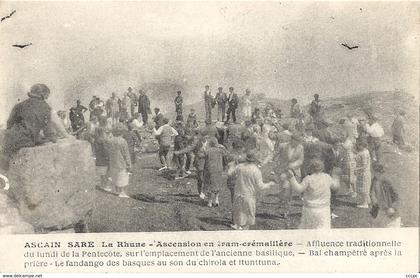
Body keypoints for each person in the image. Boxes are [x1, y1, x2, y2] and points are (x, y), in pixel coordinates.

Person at [3, 84, 57, 163]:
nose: (47, 98)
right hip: (25, 140)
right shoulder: (45, 107)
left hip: (10, 139)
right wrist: (53, 138)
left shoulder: (19, 105)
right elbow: (48, 128)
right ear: (42, 95)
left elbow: (9, 124)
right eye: (46, 96)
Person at [227, 150, 276, 230]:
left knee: (239, 216)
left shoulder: (240, 167)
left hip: (238, 194)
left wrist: (232, 165)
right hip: (249, 196)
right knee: (247, 220)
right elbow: (261, 186)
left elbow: (229, 174)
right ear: (256, 160)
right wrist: (270, 184)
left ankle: (238, 228)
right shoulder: (256, 171)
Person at [288, 159, 340, 229]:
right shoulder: (327, 177)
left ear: (310, 168)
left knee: (307, 228)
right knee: (323, 228)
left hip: (309, 209)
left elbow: (299, 189)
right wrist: (336, 176)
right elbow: (335, 186)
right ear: (323, 168)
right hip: (324, 209)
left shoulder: (308, 179)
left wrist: (291, 177)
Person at [273, 133, 304, 219]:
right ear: (292, 140)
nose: (298, 143)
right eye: (296, 141)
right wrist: (276, 165)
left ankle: (285, 210)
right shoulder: (283, 146)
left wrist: (292, 166)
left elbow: (300, 160)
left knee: (289, 191)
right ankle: (281, 206)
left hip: (293, 172)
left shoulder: (300, 148)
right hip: (283, 170)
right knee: (285, 188)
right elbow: (275, 155)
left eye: (299, 142)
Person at [174, 130, 207, 199]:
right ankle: (201, 192)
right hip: (200, 161)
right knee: (201, 178)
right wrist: (179, 152)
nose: (205, 137)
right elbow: (189, 148)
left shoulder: (210, 142)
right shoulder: (197, 141)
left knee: (206, 177)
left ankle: (204, 191)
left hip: (208, 161)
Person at [105, 123, 132, 198]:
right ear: (122, 132)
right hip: (121, 162)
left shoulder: (110, 140)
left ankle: (118, 190)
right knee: (123, 177)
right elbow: (126, 154)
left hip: (113, 161)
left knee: (115, 176)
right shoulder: (123, 141)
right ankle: (122, 192)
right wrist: (129, 164)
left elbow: (108, 150)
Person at [204, 137, 228, 207]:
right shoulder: (220, 150)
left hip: (210, 169)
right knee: (217, 184)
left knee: (209, 184)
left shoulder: (208, 151)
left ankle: (210, 201)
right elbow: (226, 156)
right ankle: (216, 199)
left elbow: (205, 158)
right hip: (218, 169)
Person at [226, 140, 246, 206]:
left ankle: (235, 209)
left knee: (234, 194)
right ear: (238, 148)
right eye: (241, 147)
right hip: (237, 178)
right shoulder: (240, 156)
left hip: (234, 178)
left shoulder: (230, 155)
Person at [93, 122, 110, 191]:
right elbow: (105, 150)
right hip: (103, 158)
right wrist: (108, 156)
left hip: (98, 158)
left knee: (101, 173)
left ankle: (102, 185)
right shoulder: (102, 141)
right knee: (105, 173)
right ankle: (105, 186)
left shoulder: (96, 140)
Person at [355, 140, 372, 208]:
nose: (358, 146)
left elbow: (364, 165)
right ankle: (367, 201)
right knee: (364, 187)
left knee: (364, 187)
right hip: (364, 172)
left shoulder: (364, 153)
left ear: (362, 146)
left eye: (359, 145)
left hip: (364, 172)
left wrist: (357, 169)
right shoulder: (365, 151)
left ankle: (365, 204)